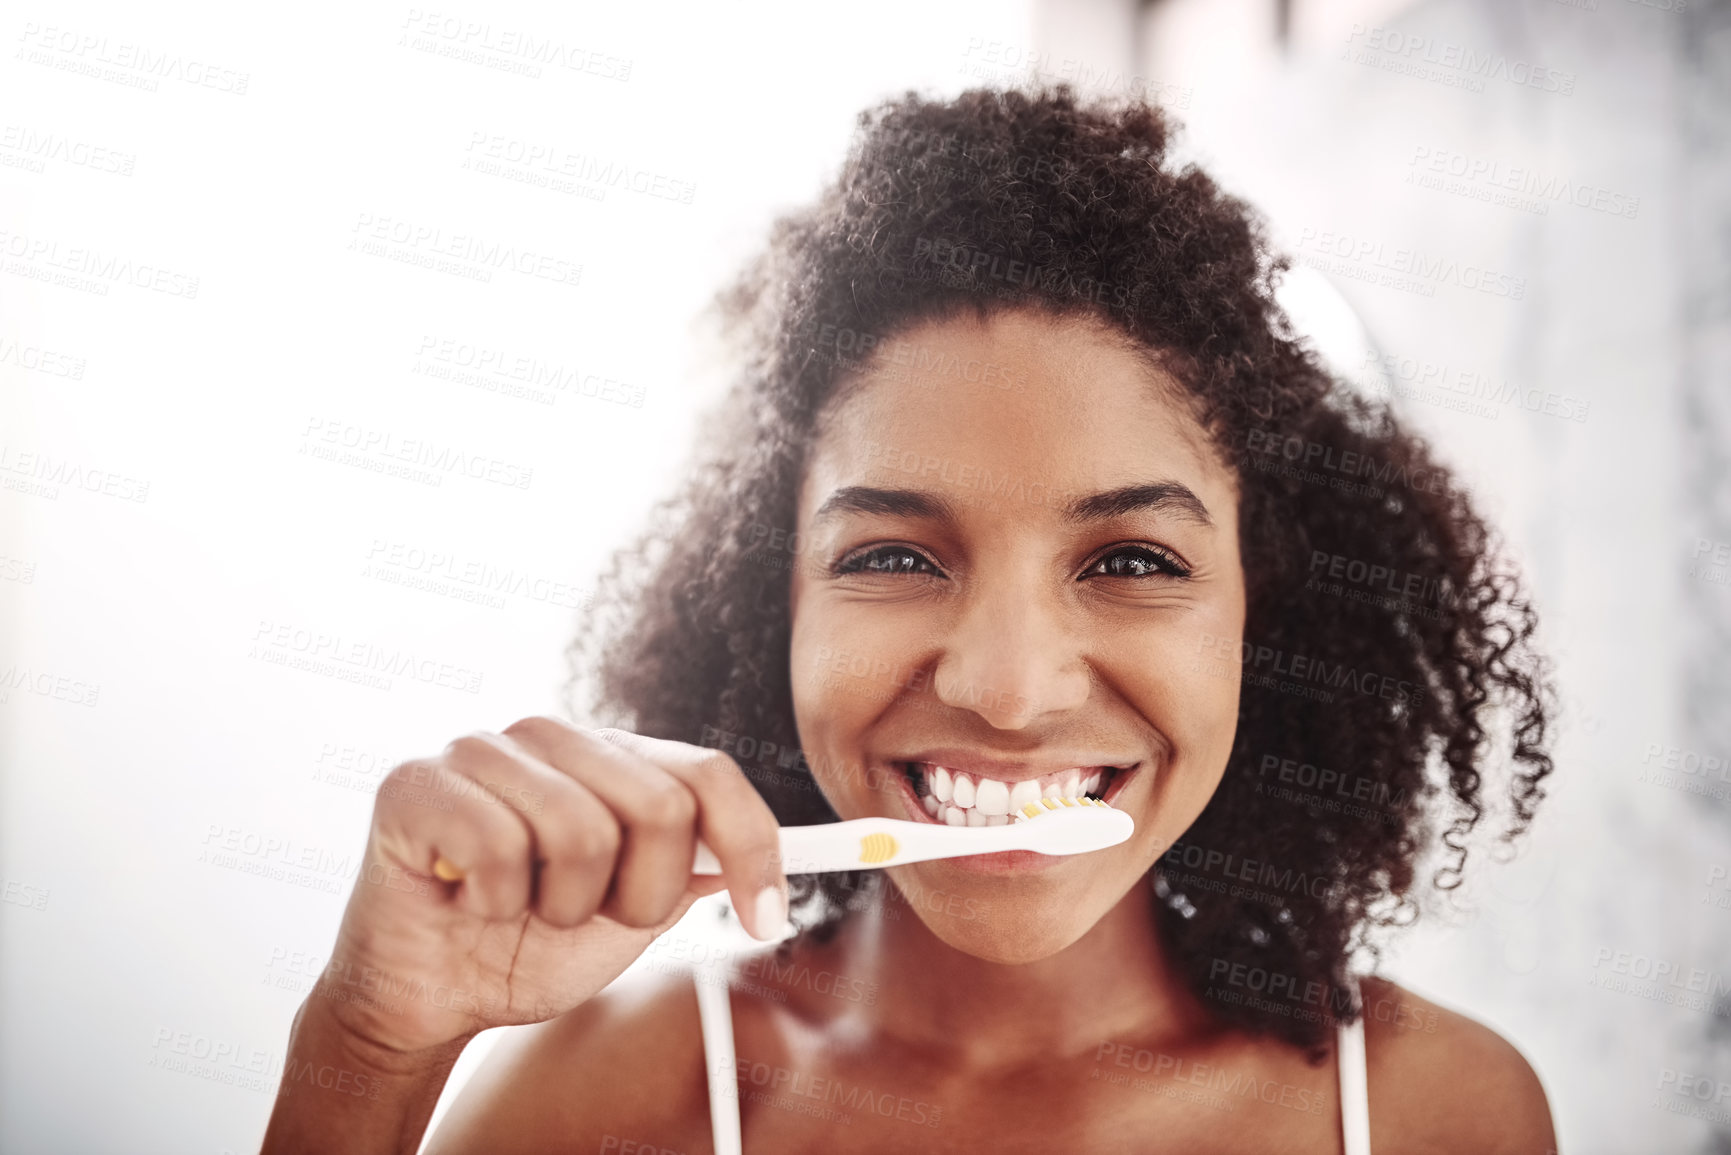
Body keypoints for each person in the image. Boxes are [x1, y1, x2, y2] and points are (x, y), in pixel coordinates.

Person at [262, 84, 1559, 1154]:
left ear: (1258, 618)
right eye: (891, 553)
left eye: (1128, 561)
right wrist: (369, 1048)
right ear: (769, 602)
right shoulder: (610, 1107)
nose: (1008, 688)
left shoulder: (1434, 1113)